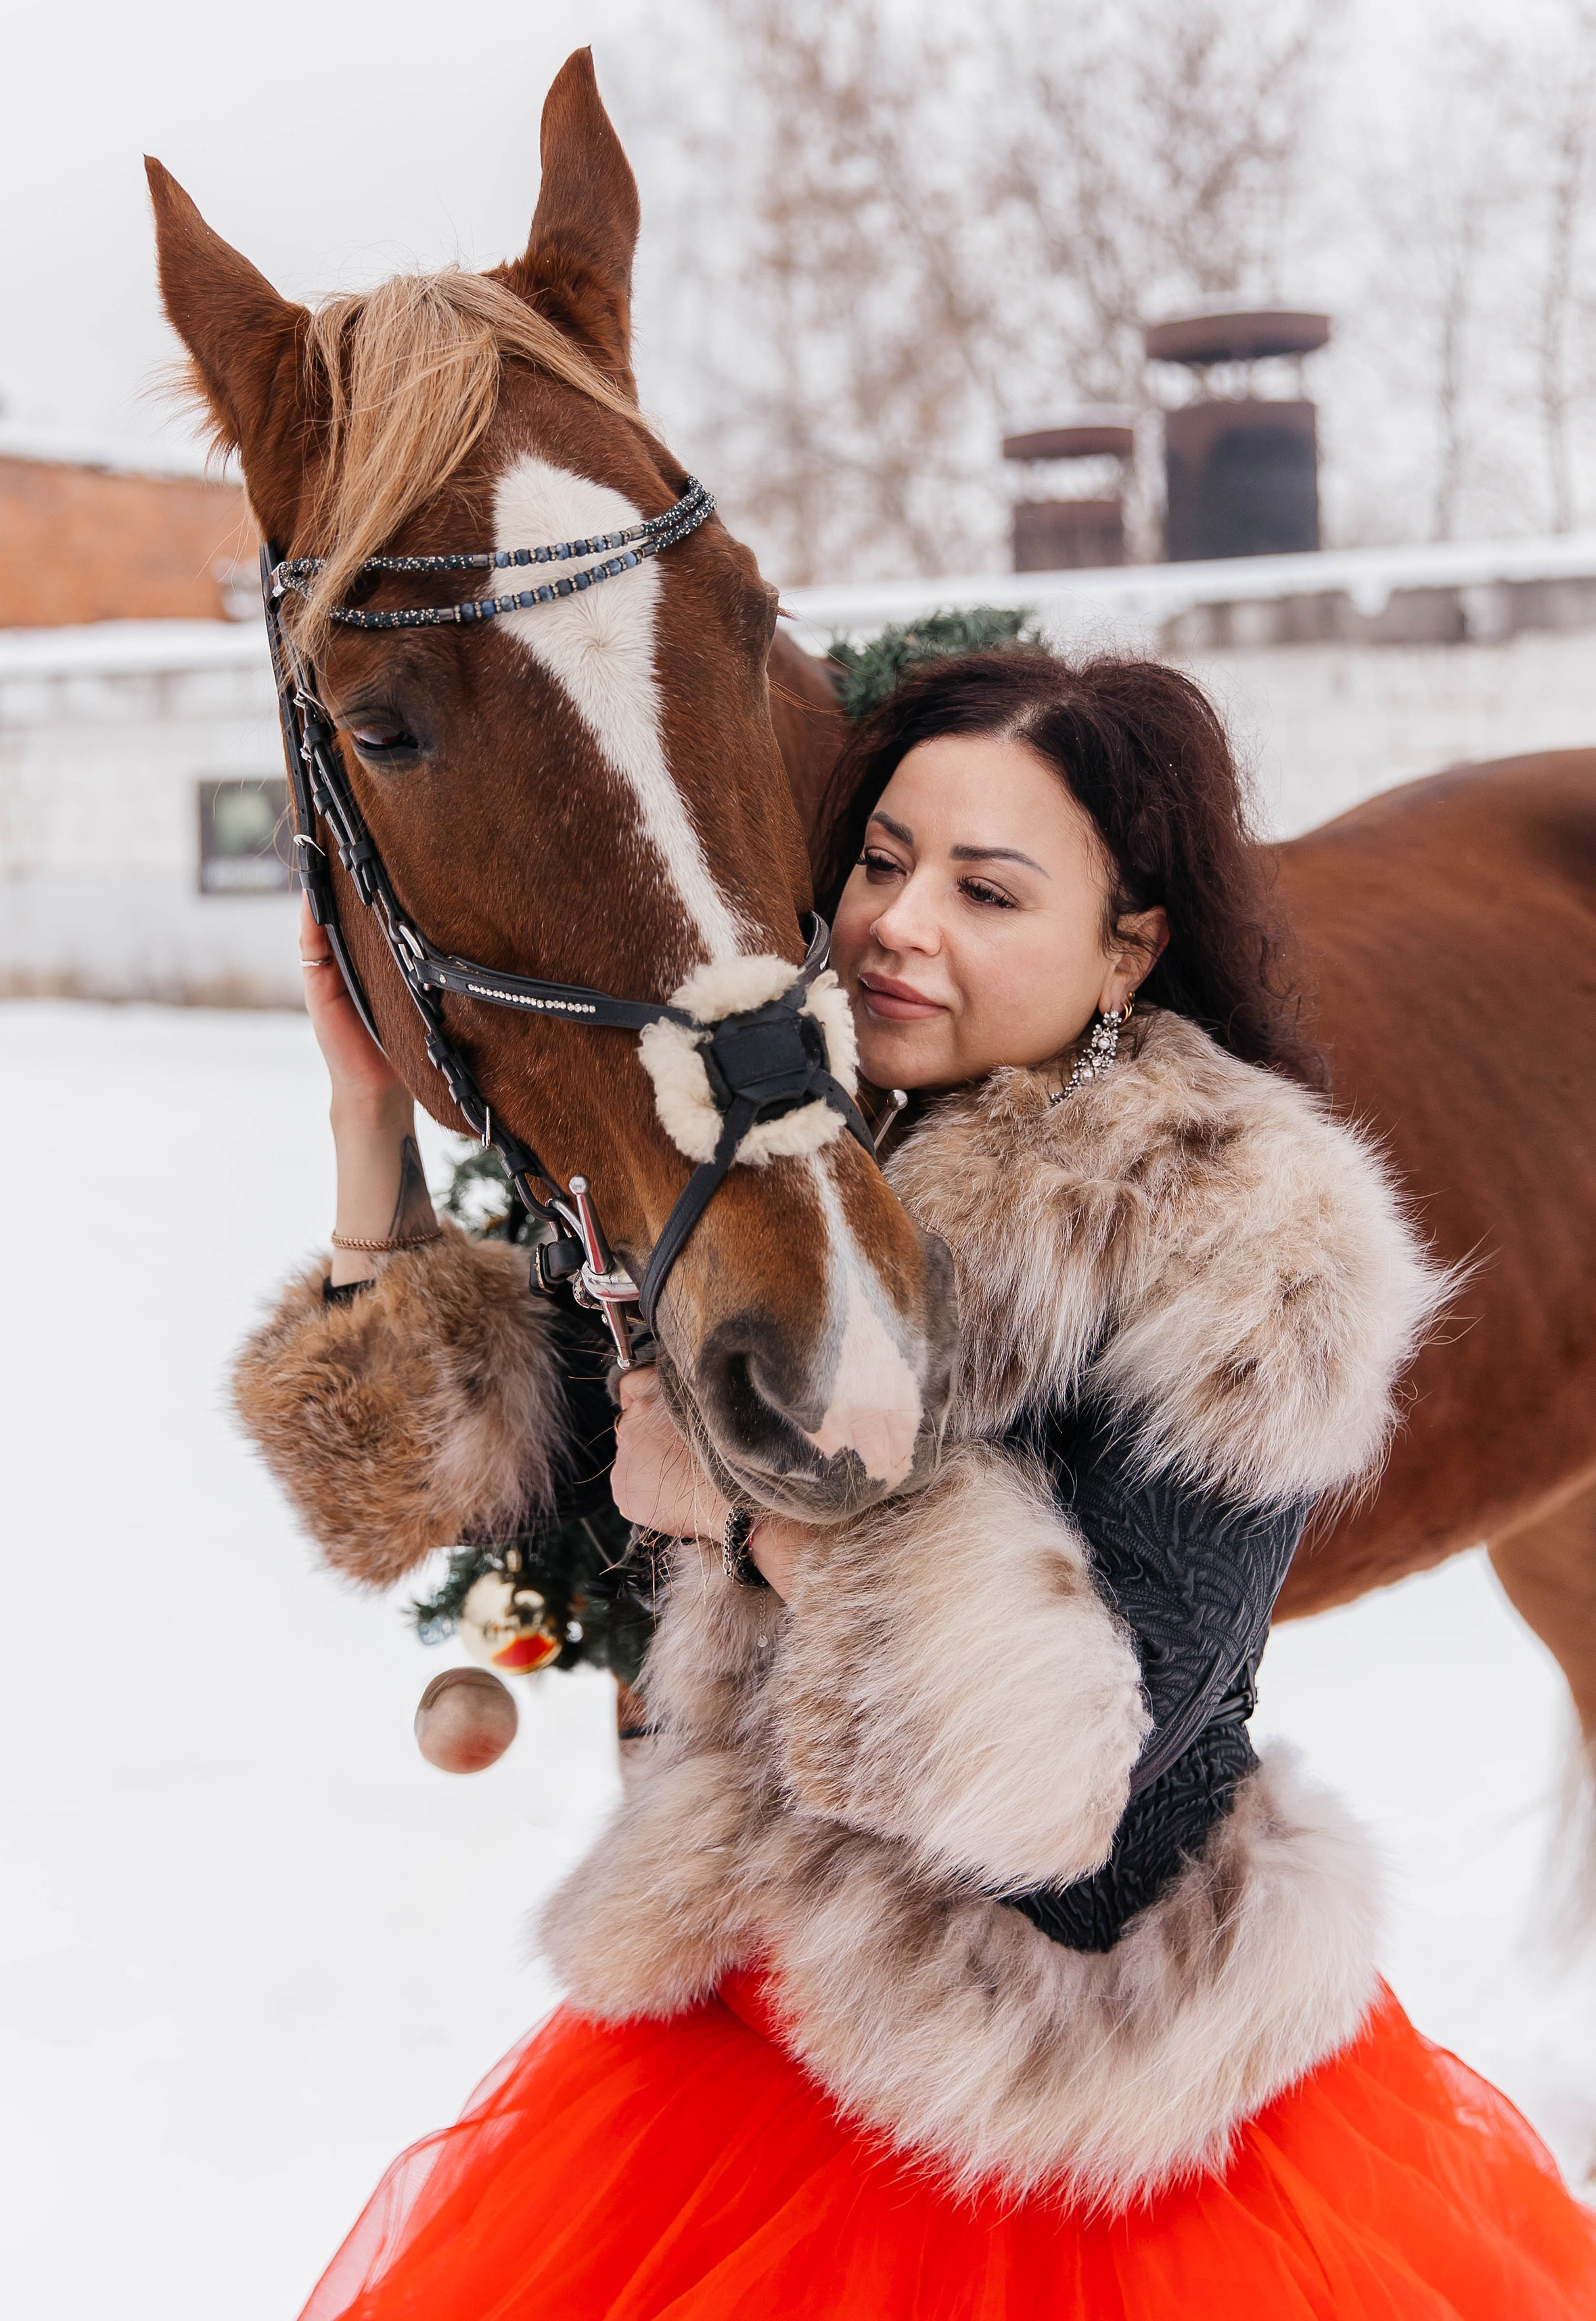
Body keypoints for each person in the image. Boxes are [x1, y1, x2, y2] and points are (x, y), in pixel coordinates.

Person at [235, 647, 1596, 2319]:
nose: (898, 923)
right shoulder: (805, 1166)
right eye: (880, 861)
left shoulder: (1247, 1230)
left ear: (1129, 947)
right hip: (742, 2028)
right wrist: (368, 1130)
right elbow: (447, 1489)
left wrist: (748, 1514)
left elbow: (1076, 1765)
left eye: (987, 889)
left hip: (1065, 2084)